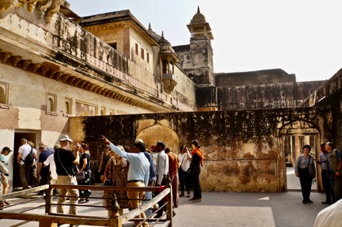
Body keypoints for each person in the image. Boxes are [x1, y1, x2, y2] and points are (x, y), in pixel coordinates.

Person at [101, 135, 150, 227]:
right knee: (138, 206)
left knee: (135, 207)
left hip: (134, 184)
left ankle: (140, 225)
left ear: (138, 148)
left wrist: (109, 143)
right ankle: (145, 224)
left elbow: (122, 153)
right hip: (142, 184)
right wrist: (145, 187)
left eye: (134, 147)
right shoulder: (146, 160)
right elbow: (146, 176)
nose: (132, 149)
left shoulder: (136, 157)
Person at [54, 134, 79, 218]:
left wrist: (73, 151)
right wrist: (77, 152)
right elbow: (76, 162)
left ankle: (59, 216)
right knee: (74, 196)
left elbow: (67, 159)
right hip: (68, 177)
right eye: (69, 143)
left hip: (60, 177)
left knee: (61, 197)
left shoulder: (56, 152)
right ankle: (72, 217)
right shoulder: (68, 152)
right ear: (66, 142)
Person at [103, 146, 129, 216]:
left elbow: (125, 167)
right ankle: (111, 219)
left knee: (120, 203)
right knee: (110, 202)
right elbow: (106, 170)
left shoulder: (124, 160)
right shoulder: (111, 159)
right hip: (111, 182)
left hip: (121, 183)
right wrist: (105, 178)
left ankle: (119, 220)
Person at [154, 141, 169, 218]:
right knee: (162, 195)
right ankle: (166, 211)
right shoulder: (165, 155)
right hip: (164, 176)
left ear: (160, 147)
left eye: (157, 146)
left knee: (159, 196)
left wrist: (159, 181)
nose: (156, 147)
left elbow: (161, 169)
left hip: (161, 177)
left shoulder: (161, 155)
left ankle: (162, 212)